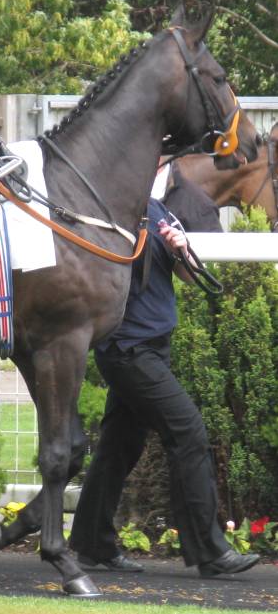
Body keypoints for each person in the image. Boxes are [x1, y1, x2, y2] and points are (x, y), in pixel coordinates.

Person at [69, 193, 260, 578]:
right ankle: (210, 551)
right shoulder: (109, 207)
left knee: (120, 445)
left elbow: (190, 274)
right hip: (127, 349)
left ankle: (91, 544)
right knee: (187, 431)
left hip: (153, 346)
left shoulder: (157, 208)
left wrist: (180, 250)